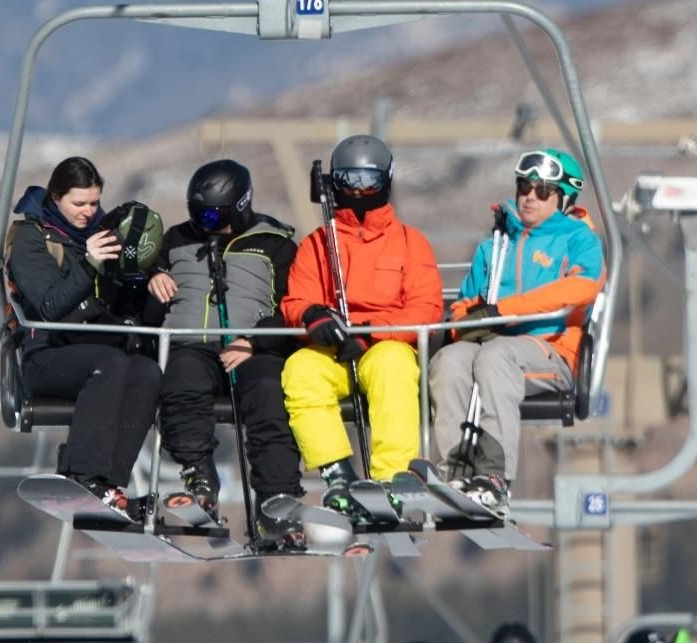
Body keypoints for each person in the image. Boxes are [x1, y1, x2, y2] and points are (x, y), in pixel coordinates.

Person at [430, 147, 604, 511]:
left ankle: (494, 477)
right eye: (524, 186)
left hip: (549, 350)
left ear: (564, 197)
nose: (529, 197)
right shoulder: (495, 246)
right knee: (451, 359)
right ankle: (454, 474)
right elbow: (464, 301)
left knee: (496, 357)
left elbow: (582, 287)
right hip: (494, 348)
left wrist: (503, 312)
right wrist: (469, 320)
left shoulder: (578, 239)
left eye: (542, 190)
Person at [280, 135, 443, 517]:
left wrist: (369, 331)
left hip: (382, 346)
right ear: (333, 184)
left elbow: (425, 310)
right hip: (332, 352)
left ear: (385, 181)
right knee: (300, 370)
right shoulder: (319, 243)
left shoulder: (409, 243)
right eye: (348, 180)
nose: (357, 190)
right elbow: (296, 300)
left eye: (367, 181)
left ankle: (391, 478)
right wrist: (313, 318)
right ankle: (338, 473)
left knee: (393, 367)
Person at [144, 160, 306, 540]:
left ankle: (275, 500)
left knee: (268, 393)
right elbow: (144, 283)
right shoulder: (177, 240)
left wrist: (256, 341)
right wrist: (155, 276)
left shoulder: (275, 245)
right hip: (193, 345)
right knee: (180, 382)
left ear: (240, 205)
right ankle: (199, 477)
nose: (206, 223)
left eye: (214, 214)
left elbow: (294, 306)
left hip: (253, 348)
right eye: (197, 213)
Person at [7, 156, 163, 517]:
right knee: (110, 364)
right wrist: (89, 263)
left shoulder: (101, 234)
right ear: (56, 197)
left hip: (96, 347)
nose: (88, 212)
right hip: (47, 353)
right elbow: (50, 307)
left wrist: (151, 276)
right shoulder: (33, 240)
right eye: (79, 204)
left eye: (94, 203)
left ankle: (109, 483)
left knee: (146, 372)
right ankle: (82, 475)